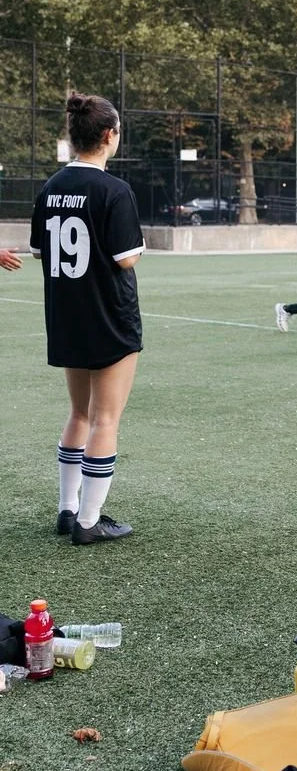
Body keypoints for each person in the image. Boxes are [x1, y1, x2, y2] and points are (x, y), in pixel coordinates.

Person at [29, 93, 143, 544]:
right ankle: (90, 521)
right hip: (109, 316)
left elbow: (40, 249)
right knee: (105, 419)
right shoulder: (114, 189)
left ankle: (67, 509)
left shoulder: (51, 185)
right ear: (109, 135)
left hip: (66, 314)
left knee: (79, 411)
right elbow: (127, 258)